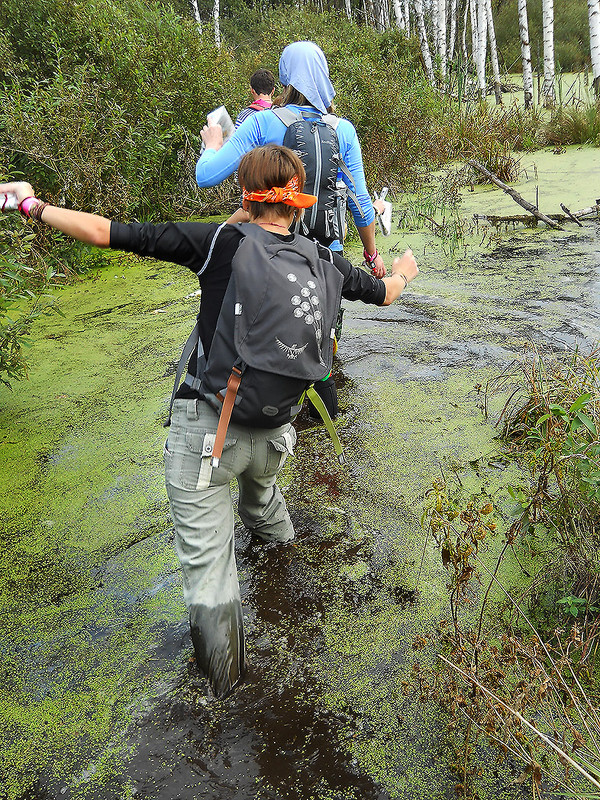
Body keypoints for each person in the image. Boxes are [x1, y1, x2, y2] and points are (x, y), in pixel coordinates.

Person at [0, 145, 418, 699]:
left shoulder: (219, 242)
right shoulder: (325, 260)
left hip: (209, 437)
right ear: (297, 200)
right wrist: (406, 268)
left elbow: (107, 233)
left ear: (244, 193)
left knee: (211, 574)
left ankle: (225, 695)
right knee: (262, 503)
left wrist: (33, 207)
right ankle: (286, 575)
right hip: (276, 434)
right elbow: (386, 291)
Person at [198, 42, 387, 420]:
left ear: (284, 77)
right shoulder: (343, 130)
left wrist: (213, 144)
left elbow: (206, 175)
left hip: (270, 253)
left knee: (265, 347)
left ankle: (267, 429)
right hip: (327, 260)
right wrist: (371, 255)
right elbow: (361, 205)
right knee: (320, 356)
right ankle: (326, 451)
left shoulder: (263, 122)